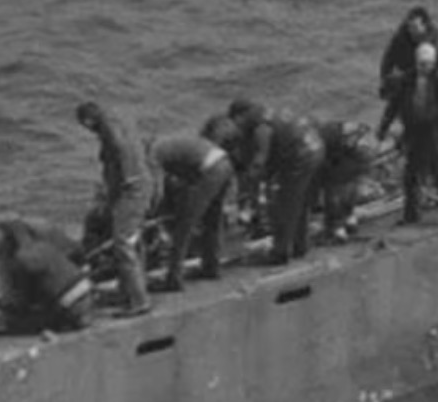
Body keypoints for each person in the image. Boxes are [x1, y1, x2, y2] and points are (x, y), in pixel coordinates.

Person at [75, 101, 156, 316]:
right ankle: (133, 290)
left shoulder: (108, 127)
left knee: (123, 244)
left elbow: (120, 148)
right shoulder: (120, 122)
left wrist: (128, 178)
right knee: (133, 241)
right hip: (139, 187)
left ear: (88, 120)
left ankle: (139, 301)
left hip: (132, 191)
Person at [228, 100, 327, 264]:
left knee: (284, 206)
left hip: (300, 157)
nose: (237, 127)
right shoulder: (271, 113)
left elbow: (261, 158)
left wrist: (250, 180)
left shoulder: (260, 127)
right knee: (299, 203)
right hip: (315, 148)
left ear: (242, 115)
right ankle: (300, 245)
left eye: (236, 122)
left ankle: (280, 253)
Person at [379, 43, 438, 225]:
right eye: (421, 63)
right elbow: (394, 105)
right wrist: (383, 127)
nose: (424, 67)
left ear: (433, 63)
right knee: (411, 174)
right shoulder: (406, 79)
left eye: (427, 64)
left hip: (435, 131)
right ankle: (411, 214)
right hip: (413, 130)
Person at [148, 131, 235, 286]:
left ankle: (174, 277)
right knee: (212, 221)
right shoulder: (168, 143)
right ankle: (212, 267)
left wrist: (151, 209)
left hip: (209, 170)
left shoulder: (152, 154)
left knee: (184, 225)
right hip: (225, 164)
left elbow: (157, 189)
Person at [0, 217, 93, 333]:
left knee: (19, 324)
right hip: (87, 295)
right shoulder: (46, 246)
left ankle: (73, 318)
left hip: (71, 304)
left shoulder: (23, 257)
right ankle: (78, 317)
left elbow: (23, 298)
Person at [315, 119, 381, 241]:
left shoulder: (323, 136)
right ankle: (349, 219)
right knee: (350, 185)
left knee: (334, 190)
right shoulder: (336, 129)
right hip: (365, 151)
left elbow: (324, 158)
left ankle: (336, 229)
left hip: (355, 154)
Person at [378, 7, 438, 123]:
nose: (411, 31)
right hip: (406, 73)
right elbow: (388, 59)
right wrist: (384, 79)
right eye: (409, 27)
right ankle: (382, 131)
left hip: (426, 76)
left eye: (415, 27)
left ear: (424, 26)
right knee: (395, 99)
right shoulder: (401, 37)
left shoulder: (433, 40)